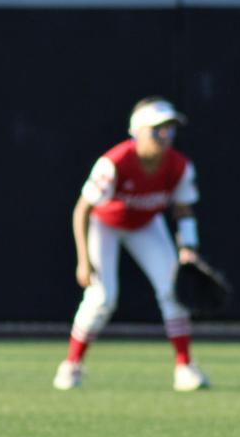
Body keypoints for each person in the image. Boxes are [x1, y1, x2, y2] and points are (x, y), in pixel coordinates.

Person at [54, 97, 210, 392]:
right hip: (106, 224)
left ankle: (185, 367)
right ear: (137, 132)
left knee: (172, 290)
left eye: (170, 130)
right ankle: (71, 365)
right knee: (102, 297)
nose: (165, 136)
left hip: (146, 225)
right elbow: (82, 209)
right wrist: (83, 260)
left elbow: (183, 209)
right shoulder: (114, 163)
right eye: (157, 130)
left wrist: (188, 248)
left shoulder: (178, 166)